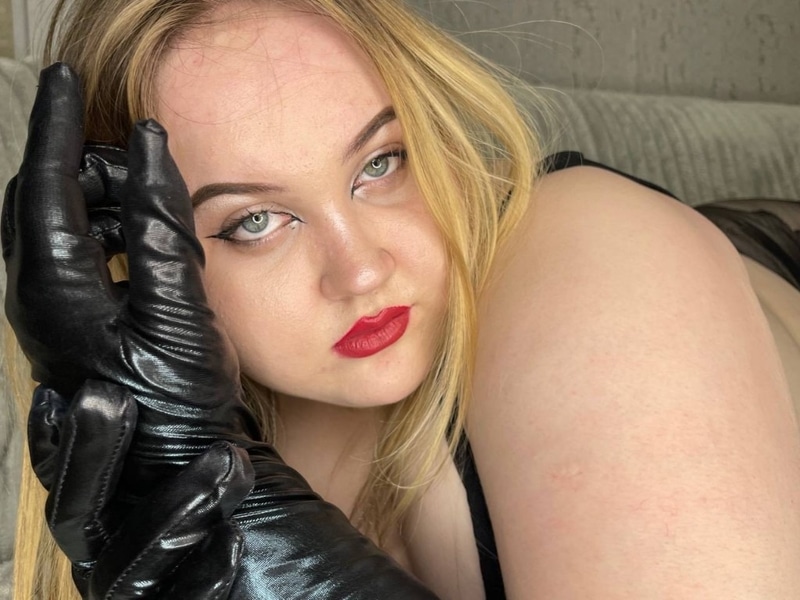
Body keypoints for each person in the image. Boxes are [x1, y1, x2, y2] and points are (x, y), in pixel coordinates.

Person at [5, 0, 800, 598]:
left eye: (380, 164)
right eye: (255, 221)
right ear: (131, 263)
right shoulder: (178, 459)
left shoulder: (601, 260)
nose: (360, 271)